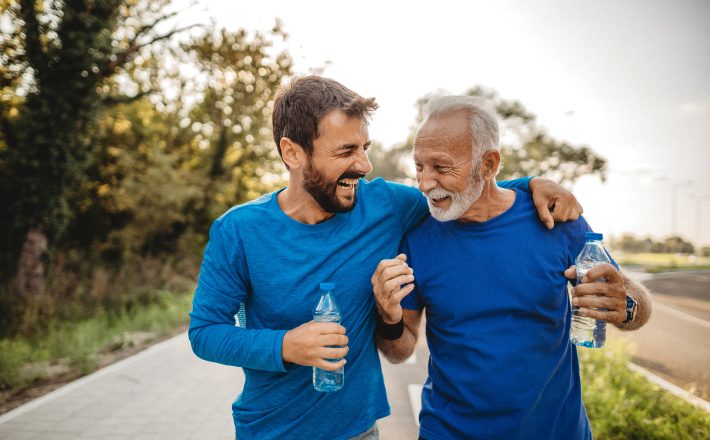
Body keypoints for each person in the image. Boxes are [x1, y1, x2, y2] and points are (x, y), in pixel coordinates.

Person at [188, 76, 583, 440]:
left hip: (360, 430)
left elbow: (468, 192)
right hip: (271, 430)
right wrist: (285, 345)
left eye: (364, 148)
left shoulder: (387, 206)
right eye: (346, 151)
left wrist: (531, 185)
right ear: (292, 153)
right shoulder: (238, 230)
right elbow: (205, 333)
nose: (363, 165)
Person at [372, 95, 652, 440]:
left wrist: (627, 304)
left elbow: (635, 303)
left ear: (488, 165)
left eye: (441, 168)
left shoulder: (556, 219)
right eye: (419, 167)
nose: (425, 183)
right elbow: (400, 351)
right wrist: (389, 318)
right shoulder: (417, 237)